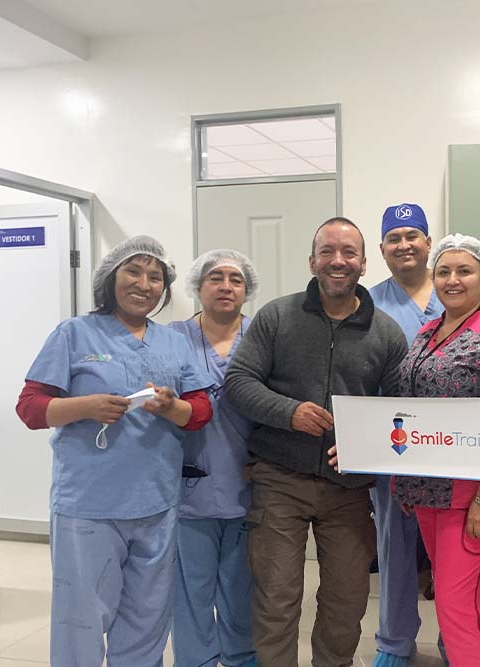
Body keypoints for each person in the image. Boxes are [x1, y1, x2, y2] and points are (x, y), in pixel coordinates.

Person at [15, 235, 215, 667]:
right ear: (110, 278)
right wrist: (85, 406)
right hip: (89, 504)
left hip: (156, 501)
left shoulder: (174, 342)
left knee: (147, 617)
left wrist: (171, 406)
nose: (145, 284)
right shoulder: (74, 333)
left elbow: (199, 412)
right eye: (134, 272)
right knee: (82, 616)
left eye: (156, 277)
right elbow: (30, 408)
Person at [224, 217, 408, 666]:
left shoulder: (386, 333)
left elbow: (401, 411)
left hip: (349, 490)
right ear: (312, 261)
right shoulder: (277, 316)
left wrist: (364, 445)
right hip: (278, 481)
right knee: (277, 599)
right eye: (327, 251)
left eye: (348, 252)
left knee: (346, 602)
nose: (337, 261)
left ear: (364, 264)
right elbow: (238, 381)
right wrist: (289, 413)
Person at [390, 234, 480, 667]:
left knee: (459, 608)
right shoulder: (427, 332)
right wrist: (404, 480)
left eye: (464, 271)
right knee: (455, 606)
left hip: (473, 497)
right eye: (444, 271)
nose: (453, 279)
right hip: (427, 492)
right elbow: (412, 411)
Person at [169, 249, 260, 667]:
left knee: (242, 585)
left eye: (236, 279)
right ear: (197, 287)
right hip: (190, 483)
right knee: (190, 587)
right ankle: (196, 660)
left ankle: (242, 658)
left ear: (247, 290)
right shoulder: (171, 338)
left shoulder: (263, 337)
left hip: (252, 483)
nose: (226, 286)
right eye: (215, 278)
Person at [367, 203, 443, 667]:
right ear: (382, 249)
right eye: (394, 239)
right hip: (392, 442)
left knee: (459, 548)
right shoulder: (367, 301)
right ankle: (394, 642)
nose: (404, 245)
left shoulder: (456, 289)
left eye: (413, 235)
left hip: (455, 442)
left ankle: (461, 640)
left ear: (429, 242)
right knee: (394, 545)